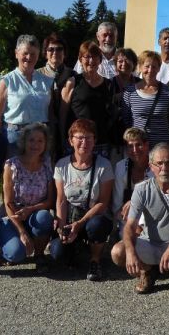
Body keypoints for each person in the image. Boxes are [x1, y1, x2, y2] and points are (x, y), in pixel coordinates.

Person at [113, 143, 169, 297]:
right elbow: (130, 225)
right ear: (151, 166)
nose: (164, 168)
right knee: (118, 252)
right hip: (149, 241)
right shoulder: (141, 189)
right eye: (159, 163)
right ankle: (147, 270)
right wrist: (130, 251)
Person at [50, 119, 114, 281]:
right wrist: (62, 227)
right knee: (58, 253)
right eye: (79, 137)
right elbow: (61, 200)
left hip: (91, 217)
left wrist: (80, 224)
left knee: (97, 225)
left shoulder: (104, 165)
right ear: (71, 141)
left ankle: (95, 260)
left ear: (95, 141)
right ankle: (76, 247)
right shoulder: (61, 165)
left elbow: (103, 202)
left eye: (89, 138)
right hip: (70, 218)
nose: (84, 142)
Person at [0, 123, 54, 271]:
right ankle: (7, 249)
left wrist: (30, 209)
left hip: (34, 216)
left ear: (45, 143)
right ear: (24, 141)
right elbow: (8, 203)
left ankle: (39, 254)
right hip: (12, 217)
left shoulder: (47, 164)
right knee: (16, 254)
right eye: (31, 140)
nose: (35, 144)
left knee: (44, 217)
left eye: (40, 140)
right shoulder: (11, 165)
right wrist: (22, 232)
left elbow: (50, 201)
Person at [0, 35, 53, 157]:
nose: (29, 57)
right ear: (16, 53)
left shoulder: (47, 81)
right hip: (15, 138)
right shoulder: (7, 81)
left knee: (41, 174)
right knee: (15, 174)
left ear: (38, 55)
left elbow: (50, 112)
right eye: (25, 53)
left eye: (33, 54)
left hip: (41, 136)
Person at [61, 41, 116, 158]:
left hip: (100, 142)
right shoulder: (73, 82)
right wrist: (62, 138)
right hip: (76, 143)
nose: (91, 61)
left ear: (100, 60)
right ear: (80, 59)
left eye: (95, 57)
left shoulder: (109, 84)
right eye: (87, 57)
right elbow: (63, 114)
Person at [122, 50, 169, 148]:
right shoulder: (129, 92)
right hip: (138, 147)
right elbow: (126, 121)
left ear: (159, 68)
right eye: (147, 66)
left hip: (161, 147)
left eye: (154, 66)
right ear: (140, 67)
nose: (150, 70)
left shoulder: (168, 92)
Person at [111, 127, 153, 243]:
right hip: (127, 219)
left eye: (139, 145)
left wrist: (134, 202)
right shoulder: (120, 168)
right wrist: (133, 224)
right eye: (130, 146)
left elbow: (158, 201)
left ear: (147, 145)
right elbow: (117, 206)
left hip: (153, 219)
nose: (135, 150)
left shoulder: (157, 167)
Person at [37, 33, 75, 160]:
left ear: (64, 53)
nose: (55, 52)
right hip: (44, 130)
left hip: (68, 129)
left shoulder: (74, 75)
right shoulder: (37, 76)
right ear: (45, 53)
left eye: (59, 49)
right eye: (51, 49)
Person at [111, 48, 141, 154]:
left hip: (137, 135)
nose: (124, 63)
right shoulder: (109, 84)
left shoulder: (141, 83)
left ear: (134, 63)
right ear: (115, 65)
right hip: (115, 137)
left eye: (128, 60)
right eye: (120, 61)